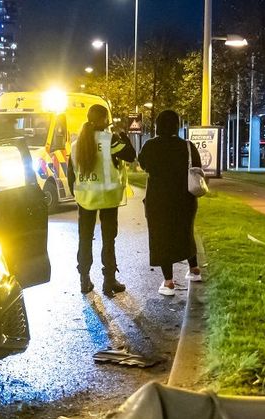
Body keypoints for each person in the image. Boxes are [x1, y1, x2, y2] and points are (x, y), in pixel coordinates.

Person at [66, 104, 137, 296]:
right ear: (105, 119)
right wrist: (124, 137)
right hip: (108, 197)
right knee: (108, 239)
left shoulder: (76, 143)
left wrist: (78, 193)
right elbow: (130, 156)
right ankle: (109, 281)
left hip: (85, 198)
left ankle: (84, 280)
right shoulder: (110, 140)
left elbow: (70, 173)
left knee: (85, 238)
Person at [137, 109, 202, 296]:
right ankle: (194, 269)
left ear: (157, 126)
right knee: (185, 231)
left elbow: (143, 165)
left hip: (159, 199)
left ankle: (168, 282)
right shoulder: (188, 146)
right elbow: (197, 168)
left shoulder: (150, 146)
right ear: (177, 125)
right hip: (185, 199)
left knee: (161, 236)